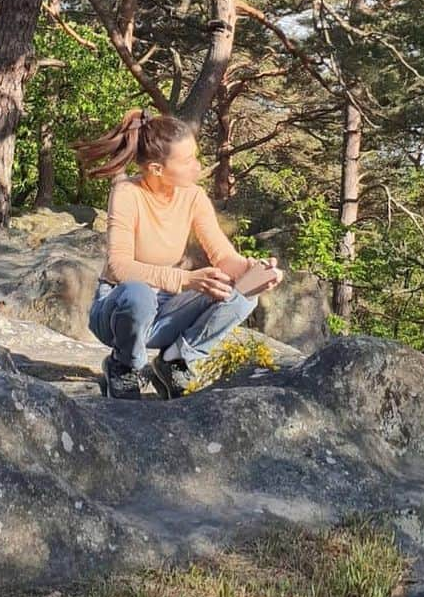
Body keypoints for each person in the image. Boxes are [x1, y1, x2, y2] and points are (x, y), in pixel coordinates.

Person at [74, 109, 281, 401]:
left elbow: (222, 255)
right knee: (138, 294)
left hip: (167, 310)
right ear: (157, 169)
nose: (197, 167)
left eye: (195, 157)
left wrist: (252, 269)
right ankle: (124, 365)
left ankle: (174, 360)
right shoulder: (127, 192)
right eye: (187, 161)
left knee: (244, 293)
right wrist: (185, 279)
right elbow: (118, 267)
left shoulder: (193, 196)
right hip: (118, 312)